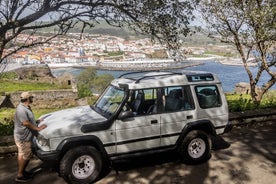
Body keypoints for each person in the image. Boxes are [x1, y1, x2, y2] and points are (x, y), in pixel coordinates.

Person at [13, 92, 47, 182]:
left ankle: (22, 171)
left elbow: (27, 120)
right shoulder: (21, 109)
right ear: (28, 99)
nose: (32, 99)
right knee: (27, 155)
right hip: (23, 138)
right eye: (31, 97)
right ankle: (20, 175)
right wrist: (38, 128)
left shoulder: (25, 107)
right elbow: (25, 123)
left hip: (22, 137)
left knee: (22, 154)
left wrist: (36, 121)